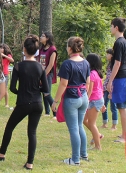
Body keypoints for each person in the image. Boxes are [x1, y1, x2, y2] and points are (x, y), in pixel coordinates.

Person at [0, 35, 49, 170]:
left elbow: (12, 88)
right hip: (37, 103)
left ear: (24, 49)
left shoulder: (19, 66)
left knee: (10, 126)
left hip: (23, 102)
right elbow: (45, 89)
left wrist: (21, 92)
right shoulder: (40, 67)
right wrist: (35, 90)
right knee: (32, 132)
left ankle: (1, 153)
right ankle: (30, 163)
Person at [51, 36, 90, 166]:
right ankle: (83, 154)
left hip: (72, 98)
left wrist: (55, 101)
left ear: (69, 48)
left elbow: (63, 84)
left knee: (73, 128)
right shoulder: (85, 62)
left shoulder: (67, 64)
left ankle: (75, 159)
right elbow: (88, 82)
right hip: (83, 97)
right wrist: (86, 96)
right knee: (79, 126)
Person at [106, 17, 126, 144]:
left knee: (122, 107)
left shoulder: (119, 43)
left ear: (116, 27)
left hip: (122, 77)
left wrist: (110, 81)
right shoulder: (123, 42)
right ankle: (124, 134)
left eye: (111, 26)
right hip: (123, 77)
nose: (110, 28)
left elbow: (117, 63)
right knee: (121, 106)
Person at [83, 53, 104, 150]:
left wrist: (85, 100)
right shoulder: (98, 73)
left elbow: (90, 90)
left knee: (92, 123)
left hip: (94, 101)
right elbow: (101, 88)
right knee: (84, 120)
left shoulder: (92, 74)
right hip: (97, 100)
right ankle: (98, 135)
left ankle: (98, 146)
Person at [39, 32, 58, 117]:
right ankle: (47, 112)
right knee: (44, 92)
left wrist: (44, 75)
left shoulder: (52, 49)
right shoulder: (42, 49)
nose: (40, 37)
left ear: (47, 38)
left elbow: (51, 64)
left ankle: (55, 113)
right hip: (41, 73)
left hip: (47, 74)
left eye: (42, 36)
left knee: (47, 93)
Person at [101, 48, 118, 130]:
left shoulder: (115, 65)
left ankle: (114, 125)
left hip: (112, 87)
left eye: (108, 54)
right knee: (104, 105)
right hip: (106, 87)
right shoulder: (109, 64)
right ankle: (105, 123)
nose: (106, 55)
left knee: (113, 106)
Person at [0, 43, 14, 108]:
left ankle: (6, 103)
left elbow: (12, 60)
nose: (1, 49)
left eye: (2, 48)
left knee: (5, 89)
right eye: (0, 48)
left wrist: (4, 55)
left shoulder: (8, 55)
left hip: (5, 74)